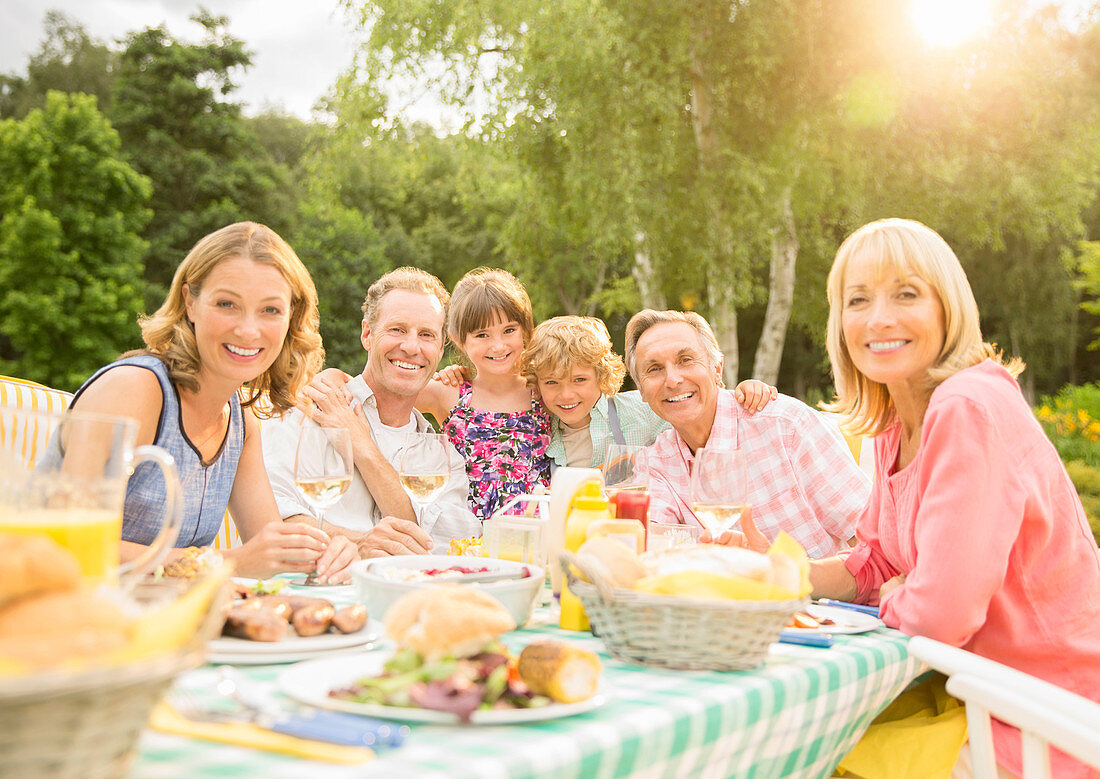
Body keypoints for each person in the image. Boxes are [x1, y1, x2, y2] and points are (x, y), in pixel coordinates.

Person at [727, 218, 1100, 779]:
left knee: (800, 757)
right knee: (788, 739)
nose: (879, 318)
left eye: (906, 294)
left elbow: (939, 616)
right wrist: (783, 568)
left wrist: (902, 596)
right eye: (858, 299)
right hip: (974, 691)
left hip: (1048, 715)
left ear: (947, 308)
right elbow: (876, 564)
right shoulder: (891, 424)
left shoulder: (967, 406)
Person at [58, 222, 359, 582]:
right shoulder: (135, 389)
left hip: (162, 622)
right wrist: (224, 563)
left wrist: (333, 549)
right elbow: (70, 545)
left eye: (270, 310)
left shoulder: (239, 422)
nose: (248, 330)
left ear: (291, 317)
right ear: (190, 302)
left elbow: (267, 548)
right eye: (227, 304)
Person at [263, 267, 481, 556]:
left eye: (426, 335)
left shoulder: (443, 459)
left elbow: (449, 549)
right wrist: (358, 542)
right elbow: (270, 519)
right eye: (397, 329)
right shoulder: (309, 412)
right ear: (367, 334)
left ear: (441, 350)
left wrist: (363, 448)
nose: (411, 346)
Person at [624, 308, 868, 558]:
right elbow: (648, 546)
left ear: (716, 369)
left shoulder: (786, 426)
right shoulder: (653, 463)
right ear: (642, 391)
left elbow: (869, 538)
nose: (672, 380)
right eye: (654, 369)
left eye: (685, 360)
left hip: (814, 594)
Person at [515, 315, 776, 469]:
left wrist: (744, 390)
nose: (566, 395)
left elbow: (702, 410)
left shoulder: (643, 410)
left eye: (579, 379)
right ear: (537, 385)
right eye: (552, 383)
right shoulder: (537, 426)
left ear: (602, 375)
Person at [416, 268, 552, 521]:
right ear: (458, 339)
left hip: (534, 536)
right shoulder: (447, 393)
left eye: (509, 330)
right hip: (465, 539)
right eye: (482, 335)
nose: (498, 345)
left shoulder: (546, 391)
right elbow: (379, 392)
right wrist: (335, 376)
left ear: (526, 328)